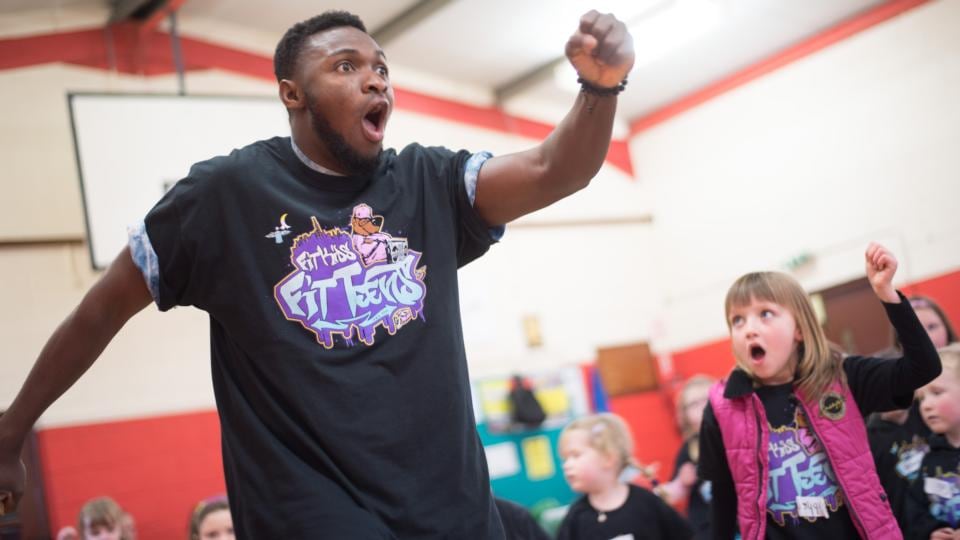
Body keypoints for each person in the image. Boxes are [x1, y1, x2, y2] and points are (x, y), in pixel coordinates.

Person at [0, 8, 634, 539]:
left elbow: (557, 170)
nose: (374, 81)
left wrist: (600, 89)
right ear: (291, 93)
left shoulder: (427, 182)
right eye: (346, 66)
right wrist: (11, 431)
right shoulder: (226, 195)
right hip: (308, 514)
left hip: (451, 515)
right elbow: (100, 310)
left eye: (381, 69)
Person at [699, 243, 941, 539]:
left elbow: (924, 368)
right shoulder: (723, 407)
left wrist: (887, 295)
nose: (749, 328)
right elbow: (723, 500)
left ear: (799, 329)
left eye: (765, 314)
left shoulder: (842, 377)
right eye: (738, 320)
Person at [869, 295, 958, 531]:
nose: (926, 337)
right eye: (923, 397)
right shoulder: (931, 453)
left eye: (932, 327)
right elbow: (915, 506)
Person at [556, 413, 693, 540]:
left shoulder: (646, 503)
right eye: (565, 458)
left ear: (608, 458)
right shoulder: (576, 517)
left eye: (575, 455)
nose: (566, 465)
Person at [904, 344, 960, 540]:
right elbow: (914, 510)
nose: (926, 405)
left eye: (936, 393)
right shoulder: (930, 456)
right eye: (921, 398)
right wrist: (930, 531)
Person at [665, 375, 716, 539]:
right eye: (694, 404)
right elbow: (670, 496)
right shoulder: (689, 449)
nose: (703, 406)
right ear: (684, 415)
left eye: (707, 399)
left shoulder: (737, 437)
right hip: (707, 526)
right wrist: (681, 482)